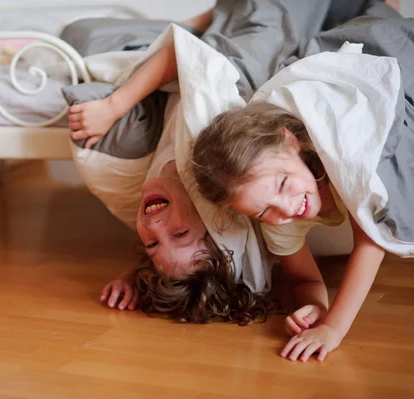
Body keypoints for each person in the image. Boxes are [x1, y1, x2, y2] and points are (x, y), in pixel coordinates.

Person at [67, 0, 367, 324]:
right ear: (215, 216)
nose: (154, 227)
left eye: (152, 244)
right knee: (272, 23)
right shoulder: (214, 149)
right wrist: (317, 309)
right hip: (247, 56)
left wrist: (135, 278)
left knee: (81, 35)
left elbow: (173, 259)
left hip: (219, 43)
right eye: (179, 234)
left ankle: (217, 16)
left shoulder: (144, 183)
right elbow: (183, 56)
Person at [190, 2, 411, 360]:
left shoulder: (341, 151)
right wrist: (315, 309)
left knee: (381, 20)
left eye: (281, 185)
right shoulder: (275, 209)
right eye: (263, 213)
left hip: (375, 49)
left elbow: (371, 239)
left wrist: (334, 328)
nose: (286, 210)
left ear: (291, 143)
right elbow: (305, 280)